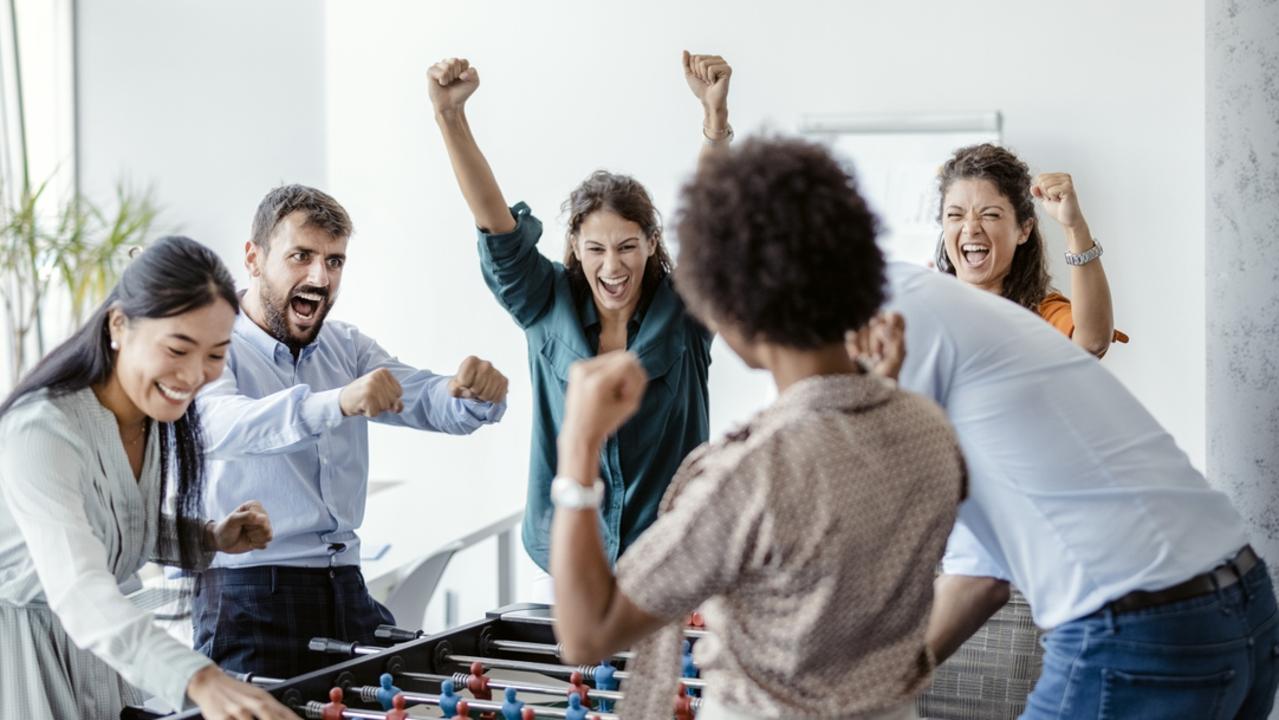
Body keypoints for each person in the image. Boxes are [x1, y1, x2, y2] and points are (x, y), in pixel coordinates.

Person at [549, 137, 966, 720]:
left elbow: (586, 634)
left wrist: (578, 447)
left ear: (735, 310)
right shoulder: (928, 430)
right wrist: (878, 387)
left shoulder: (751, 477)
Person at [880, 261, 1276, 718]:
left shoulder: (892, 323)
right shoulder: (954, 317)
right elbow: (979, 578)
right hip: (1242, 603)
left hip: (1141, 632)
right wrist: (885, 686)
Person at [427, 52, 732, 579]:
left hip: (671, 560)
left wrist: (714, 122)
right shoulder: (544, 301)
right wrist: (450, 117)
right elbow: (495, 224)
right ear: (575, 245)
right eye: (596, 249)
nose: (613, 267)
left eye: (628, 247)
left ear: (652, 243)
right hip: (570, 559)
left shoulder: (683, 311)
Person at [193, 185, 509, 678]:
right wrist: (337, 402)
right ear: (253, 259)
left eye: (334, 261)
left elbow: (422, 397)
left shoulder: (346, 347)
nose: (320, 277)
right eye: (301, 256)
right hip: (248, 595)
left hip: (345, 586)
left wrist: (471, 394)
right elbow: (222, 426)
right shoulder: (212, 342)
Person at [0, 236, 293, 718]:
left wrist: (208, 538)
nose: (195, 374)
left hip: (97, 648)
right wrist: (201, 679)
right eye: (178, 348)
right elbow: (79, 589)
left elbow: (114, 519)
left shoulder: (148, 416)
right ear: (119, 325)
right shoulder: (41, 431)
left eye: (216, 355)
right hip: (25, 661)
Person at [935, 143, 1127, 357]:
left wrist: (1074, 227)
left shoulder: (1042, 315)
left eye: (990, 214)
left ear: (1024, 230)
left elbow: (1092, 342)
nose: (970, 228)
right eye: (955, 215)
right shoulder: (924, 310)